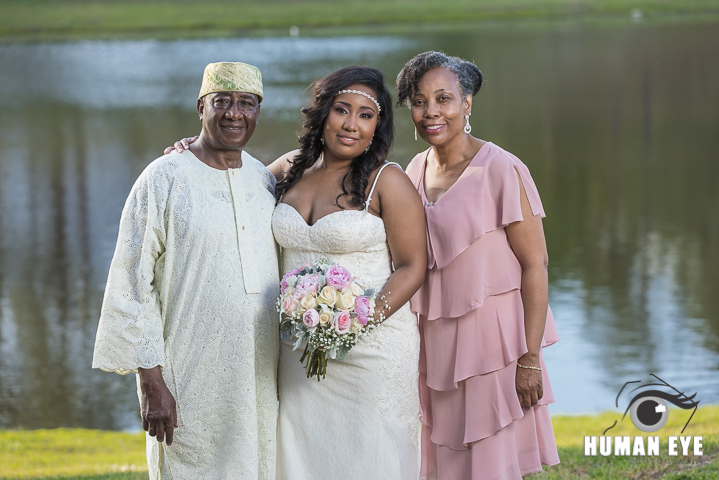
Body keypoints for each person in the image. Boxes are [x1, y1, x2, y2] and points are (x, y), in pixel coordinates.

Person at [92, 62, 280, 479]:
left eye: (246, 103)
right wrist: (150, 380)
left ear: (258, 111)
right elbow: (132, 284)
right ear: (201, 107)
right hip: (188, 372)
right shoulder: (163, 178)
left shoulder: (263, 179)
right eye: (222, 102)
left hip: (259, 371)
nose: (234, 113)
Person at [396, 51, 560, 479]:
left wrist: (529, 357)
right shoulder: (414, 170)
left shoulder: (501, 168)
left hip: (494, 349)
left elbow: (536, 265)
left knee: (490, 463)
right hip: (436, 348)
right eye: (418, 101)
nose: (430, 112)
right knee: (443, 458)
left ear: (467, 103)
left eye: (443, 98)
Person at [267, 66, 427, 480]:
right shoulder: (289, 170)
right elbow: (228, 181)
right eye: (342, 109)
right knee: (304, 450)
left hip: (371, 349)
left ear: (378, 126)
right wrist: (193, 148)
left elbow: (413, 267)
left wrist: (361, 321)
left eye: (365, 115)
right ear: (324, 113)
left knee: (369, 456)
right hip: (298, 348)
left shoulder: (387, 181)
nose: (351, 124)